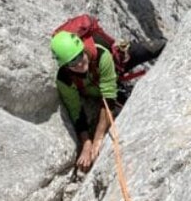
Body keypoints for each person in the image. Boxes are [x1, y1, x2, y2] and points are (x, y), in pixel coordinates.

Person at [50, 31, 165, 172]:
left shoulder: (101, 55)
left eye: (80, 55)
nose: (79, 63)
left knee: (156, 47)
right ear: (65, 66)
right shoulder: (64, 80)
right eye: (73, 62)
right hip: (102, 86)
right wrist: (86, 143)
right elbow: (76, 112)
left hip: (117, 62)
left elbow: (108, 97)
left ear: (82, 49)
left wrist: (98, 138)